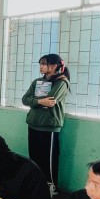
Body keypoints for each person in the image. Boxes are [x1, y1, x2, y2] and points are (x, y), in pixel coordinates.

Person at [21, 53, 70, 190]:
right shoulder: (37, 81)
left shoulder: (61, 82)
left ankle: (51, 187)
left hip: (49, 126)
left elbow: (51, 100)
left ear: (54, 66)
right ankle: (36, 185)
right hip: (33, 123)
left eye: (44, 64)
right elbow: (25, 99)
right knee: (34, 158)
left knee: (48, 160)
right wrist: (39, 102)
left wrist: (35, 101)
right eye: (40, 64)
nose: (41, 67)